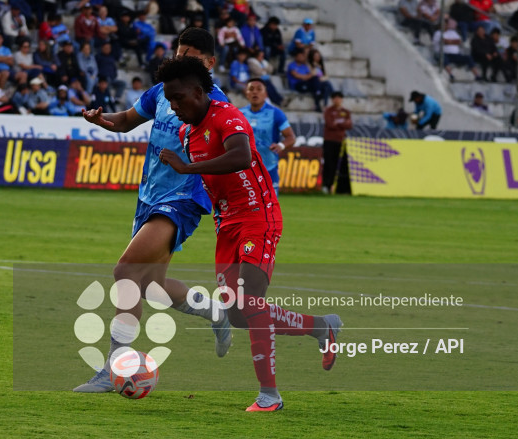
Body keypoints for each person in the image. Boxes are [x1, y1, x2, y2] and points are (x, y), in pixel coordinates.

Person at [156, 56, 342, 412]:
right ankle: (321, 327)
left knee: (250, 304)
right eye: (170, 99)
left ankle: (269, 396)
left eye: (178, 98)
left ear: (199, 92)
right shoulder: (186, 131)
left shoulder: (228, 116)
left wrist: (187, 167)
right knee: (239, 314)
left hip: (259, 216)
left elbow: (241, 156)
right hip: (226, 225)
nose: (174, 106)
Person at [74, 27, 233, 394]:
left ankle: (113, 368)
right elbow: (129, 119)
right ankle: (214, 310)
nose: (182, 59)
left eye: (191, 55)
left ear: (209, 63)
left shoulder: (214, 102)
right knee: (151, 287)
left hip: (183, 197)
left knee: (125, 271)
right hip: (149, 195)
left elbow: (230, 150)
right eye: (179, 52)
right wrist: (103, 119)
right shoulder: (162, 92)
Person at [239, 78, 296, 195]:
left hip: (269, 167)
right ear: (247, 93)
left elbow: (291, 137)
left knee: (271, 208)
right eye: (251, 89)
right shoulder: (239, 114)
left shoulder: (276, 113)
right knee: (247, 209)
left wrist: (281, 145)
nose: (255, 92)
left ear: (265, 94)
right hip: (245, 169)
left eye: (259, 89)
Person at [322, 92, 352, 195]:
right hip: (329, 140)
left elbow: (349, 125)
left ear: (342, 99)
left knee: (342, 165)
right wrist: (342, 124)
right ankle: (326, 185)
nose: (337, 100)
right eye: (335, 98)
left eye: (339, 98)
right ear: (332, 100)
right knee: (329, 164)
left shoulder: (346, 112)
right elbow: (330, 124)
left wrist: (338, 123)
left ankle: (340, 188)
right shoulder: (329, 111)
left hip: (341, 141)